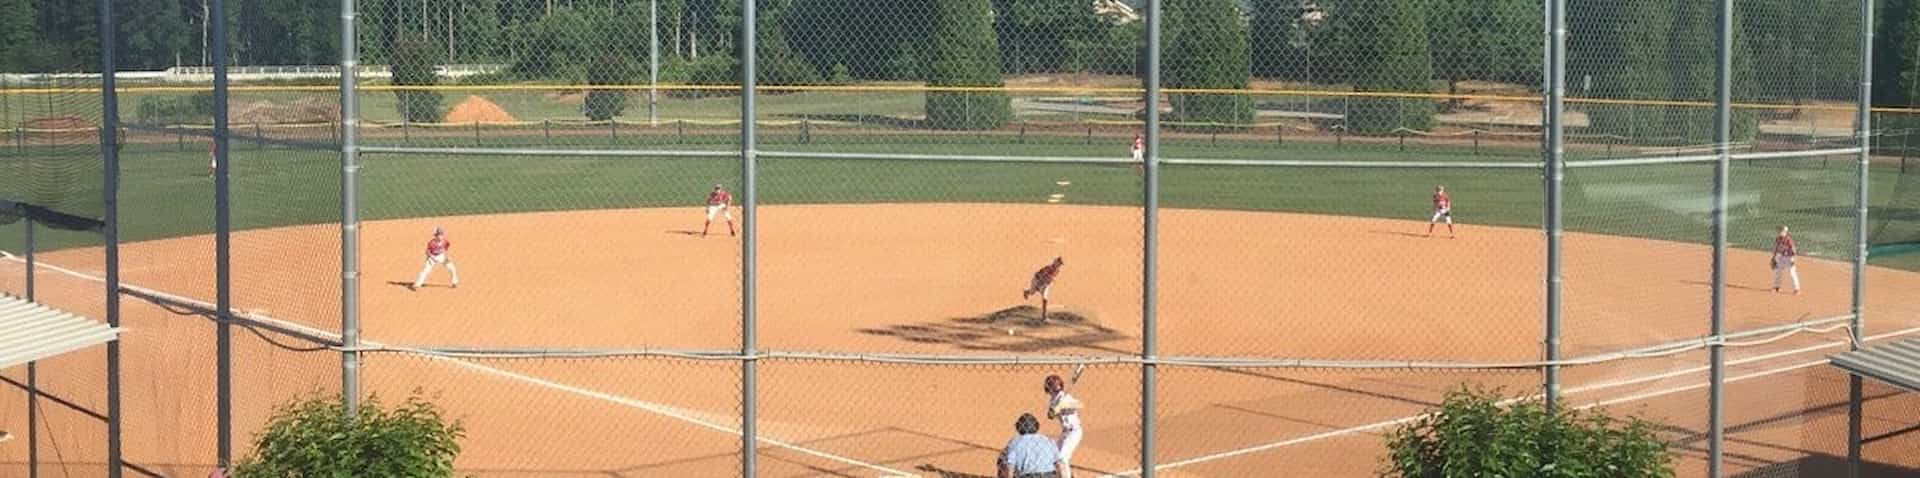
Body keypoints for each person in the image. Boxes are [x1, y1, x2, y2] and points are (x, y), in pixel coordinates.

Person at [1043, 374, 1083, 478]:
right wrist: (1055, 410)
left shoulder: (1064, 396)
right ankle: (1071, 474)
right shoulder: (1052, 400)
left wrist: (1065, 404)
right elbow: (1050, 416)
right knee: (1055, 456)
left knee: (1062, 458)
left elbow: (1080, 404)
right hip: (1065, 433)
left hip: (1074, 431)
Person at [997, 413, 1060, 478]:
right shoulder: (1048, 441)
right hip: (1050, 475)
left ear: (1018, 427)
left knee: (1002, 459)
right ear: (1036, 426)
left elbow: (1009, 466)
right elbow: (1061, 465)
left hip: (1028, 476)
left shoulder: (1015, 442)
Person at [410, 226, 460, 291]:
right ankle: (416, 285)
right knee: (425, 271)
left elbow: (446, 247)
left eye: (441, 234)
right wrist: (431, 258)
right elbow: (427, 252)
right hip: (432, 257)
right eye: (438, 235)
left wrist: (444, 256)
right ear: (435, 236)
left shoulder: (445, 242)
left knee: (452, 268)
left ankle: (454, 282)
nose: (440, 236)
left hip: (441, 256)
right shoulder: (431, 243)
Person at [1023, 257, 1065, 322]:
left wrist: (1049, 281)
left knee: (1045, 299)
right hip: (1037, 280)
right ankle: (1026, 292)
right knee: (1032, 292)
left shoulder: (1057, 271)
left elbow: (1051, 278)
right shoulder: (1048, 268)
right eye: (1058, 263)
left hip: (1045, 284)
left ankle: (1044, 316)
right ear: (1055, 262)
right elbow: (1038, 275)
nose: (1059, 265)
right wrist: (1038, 284)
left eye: (1060, 264)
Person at [1773, 225, 1801, 294]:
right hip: (1781, 257)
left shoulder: (1788, 240)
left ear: (1785, 232)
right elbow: (1776, 248)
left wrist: (1792, 259)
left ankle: (1797, 289)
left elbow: (1793, 250)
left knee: (1792, 273)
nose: (1780, 232)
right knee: (1778, 271)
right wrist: (1774, 257)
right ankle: (1777, 287)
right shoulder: (1778, 239)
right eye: (1779, 231)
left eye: (1782, 231)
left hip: (1789, 257)